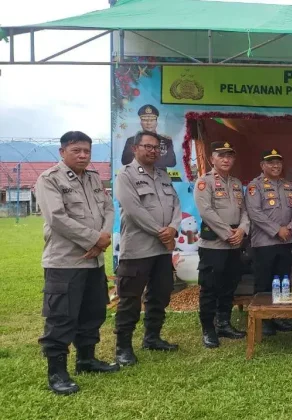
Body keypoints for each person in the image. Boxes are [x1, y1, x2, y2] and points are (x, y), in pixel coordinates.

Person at [35, 131, 120, 395]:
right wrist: (95, 239)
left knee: (93, 312)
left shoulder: (94, 178)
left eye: (87, 151)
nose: (83, 155)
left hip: (94, 262)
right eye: (76, 150)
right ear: (62, 152)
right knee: (61, 317)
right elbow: (57, 218)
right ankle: (57, 372)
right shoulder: (50, 179)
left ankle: (86, 359)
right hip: (65, 262)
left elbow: (108, 209)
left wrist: (103, 239)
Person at [114, 130, 181, 366]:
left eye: (156, 148)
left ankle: (152, 337)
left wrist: (173, 228)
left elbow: (176, 204)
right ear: (135, 149)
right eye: (148, 146)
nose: (153, 151)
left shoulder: (163, 175)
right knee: (130, 299)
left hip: (162, 250)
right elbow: (134, 210)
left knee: (160, 294)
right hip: (138, 249)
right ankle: (123, 347)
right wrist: (161, 232)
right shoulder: (125, 175)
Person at [194, 141, 250, 348]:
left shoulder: (236, 183)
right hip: (214, 245)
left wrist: (242, 230)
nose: (226, 159)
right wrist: (228, 234)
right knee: (209, 288)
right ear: (212, 159)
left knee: (229, 286)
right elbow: (206, 211)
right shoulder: (204, 182)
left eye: (229, 156)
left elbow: (244, 211)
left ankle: (224, 323)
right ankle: (208, 329)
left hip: (235, 244)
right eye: (221, 155)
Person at [245, 149, 292, 336]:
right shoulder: (255, 186)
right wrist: (277, 230)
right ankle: (264, 320)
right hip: (264, 243)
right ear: (262, 165)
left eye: (278, 162)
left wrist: (291, 228)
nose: (275, 166)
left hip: (285, 242)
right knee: (264, 283)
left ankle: (280, 316)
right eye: (271, 162)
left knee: (283, 280)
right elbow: (254, 213)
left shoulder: (288, 185)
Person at [120, 105, 176, 169]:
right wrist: (157, 158)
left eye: (152, 120)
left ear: (156, 122)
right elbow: (125, 161)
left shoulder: (166, 140)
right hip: (138, 174)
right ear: (141, 122)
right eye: (145, 120)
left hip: (160, 174)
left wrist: (143, 157)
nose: (148, 123)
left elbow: (171, 162)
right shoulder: (131, 141)